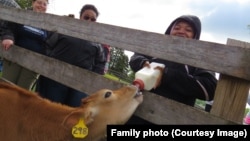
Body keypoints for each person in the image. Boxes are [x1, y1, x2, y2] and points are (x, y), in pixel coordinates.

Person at [127, 15, 217, 124]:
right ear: (169, 31)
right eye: (177, 28)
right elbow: (136, 58)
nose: (181, 32)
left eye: (188, 30)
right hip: (138, 113)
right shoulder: (156, 48)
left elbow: (209, 88)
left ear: (195, 36)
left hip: (171, 119)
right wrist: (143, 64)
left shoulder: (198, 59)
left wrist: (165, 74)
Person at [36, 4, 107, 107]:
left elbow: (101, 62)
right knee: (50, 109)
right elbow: (48, 44)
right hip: (55, 79)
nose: (89, 21)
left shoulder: (97, 42)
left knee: (71, 114)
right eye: (86, 17)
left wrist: (90, 79)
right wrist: (51, 64)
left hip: (79, 85)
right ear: (80, 17)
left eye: (93, 19)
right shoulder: (65, 29)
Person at [1, 0, 49, 90]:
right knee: (6, 89)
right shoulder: (22, 14)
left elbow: (50, 43)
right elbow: (8, 27)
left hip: (32, 64)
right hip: (14, 57)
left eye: (44, 4)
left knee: (22, 93)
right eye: (39, 2)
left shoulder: (50, 23)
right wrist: (8, 37)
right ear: (33, 3)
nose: (42, 6)